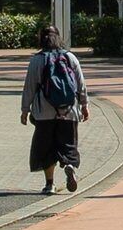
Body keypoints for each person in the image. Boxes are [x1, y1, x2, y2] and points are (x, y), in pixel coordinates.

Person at [22, 23, 90, 194]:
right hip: (69, 111)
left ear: (41, 39)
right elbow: (80, 83)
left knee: (46, 147)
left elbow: (29, 87)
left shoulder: (37, 60)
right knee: (68, 144)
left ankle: (49, 184)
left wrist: (25, 110)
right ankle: (69, 165)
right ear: (58, 38)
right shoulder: (70, 58)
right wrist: (84, 104)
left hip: (44, 112)